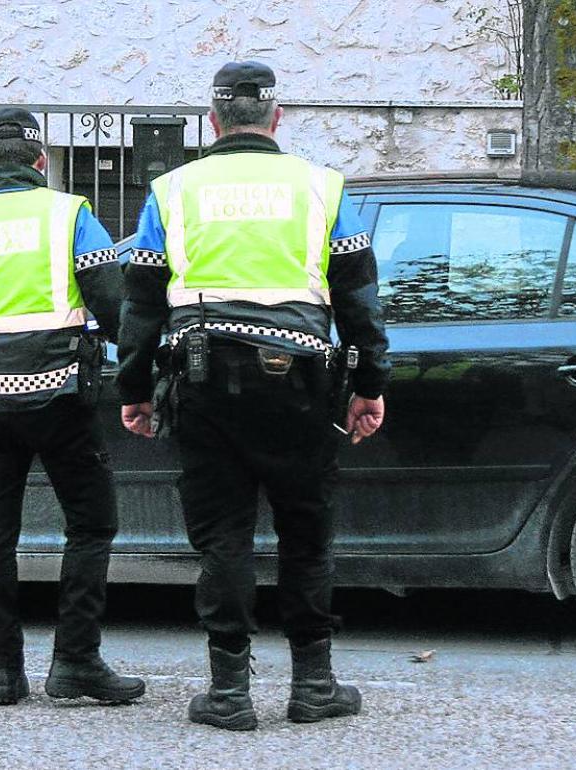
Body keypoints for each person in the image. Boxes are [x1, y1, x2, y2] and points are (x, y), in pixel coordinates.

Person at [117, 61, 390, 731]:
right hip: (302, 384)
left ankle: (229, 694)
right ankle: (314, 685)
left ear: (213, 121)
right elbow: (359, 297)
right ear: (277, 117)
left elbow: (141, 304)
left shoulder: (172, 191)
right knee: (306, 533)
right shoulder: (322, 188)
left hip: (204, 382)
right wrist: (369, 386)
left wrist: (135, 389)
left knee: (224, 538)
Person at [0, 107, 144, 707]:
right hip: (61, 395)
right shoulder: (70, 214)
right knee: (90, 524)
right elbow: (112, 305)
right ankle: (76, 663)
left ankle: (3, 674)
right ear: (41, 161)